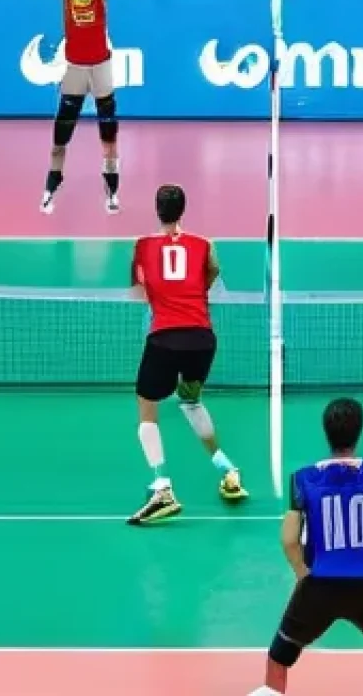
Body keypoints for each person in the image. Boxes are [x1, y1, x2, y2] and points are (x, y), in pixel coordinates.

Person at [248, 398, 363, 696]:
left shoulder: (302, 479)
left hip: (319, 586)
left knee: (279, 657)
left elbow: (289, 539)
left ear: (326, 432)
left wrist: (303, 574)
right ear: (359, 431)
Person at [127, 183, 247, 525]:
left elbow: (138, 292)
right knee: (191, 401)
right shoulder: (205, 244)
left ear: (157, 210)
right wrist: (191, 291)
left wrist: (162, 298)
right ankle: (228, 470)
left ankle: (162, 488)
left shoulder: (141, 245)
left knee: (147, 410)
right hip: (202, 339)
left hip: (164, 339)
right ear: (183, 209)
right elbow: (212, 272)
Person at [40, 0, 121, 216]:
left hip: (101, 68)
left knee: (109, 137)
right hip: (75, 69)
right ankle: (52, 184)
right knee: (60, 137)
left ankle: (112, 191)